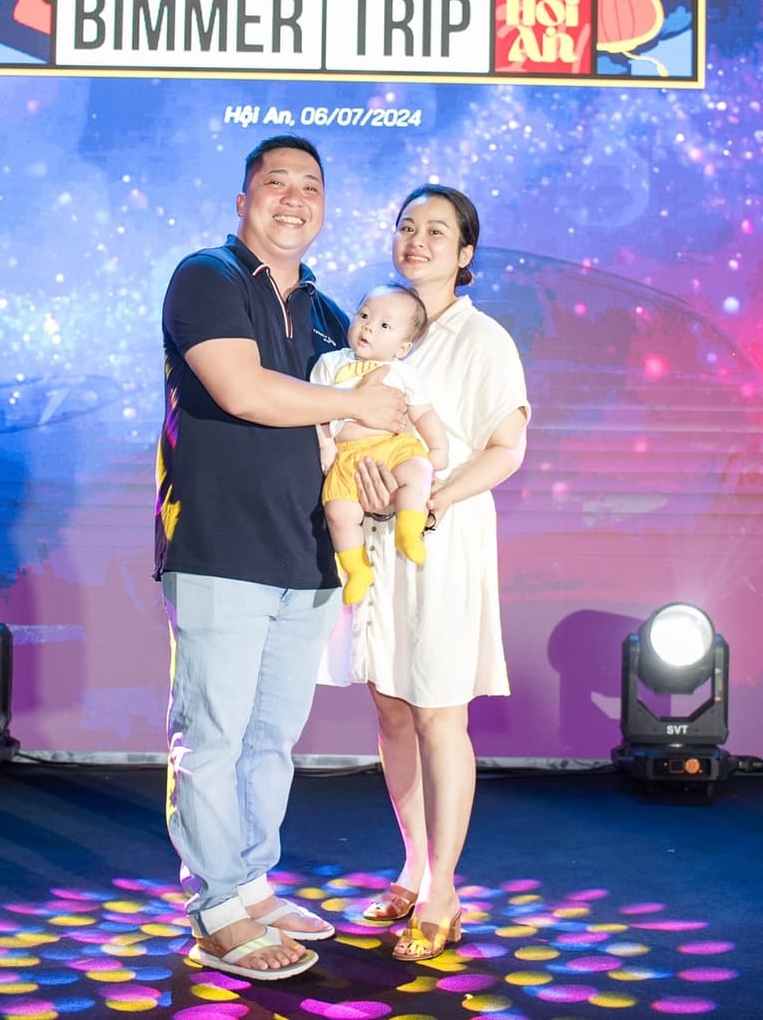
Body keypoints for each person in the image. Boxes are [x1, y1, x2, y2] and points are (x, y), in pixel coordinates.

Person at [156, 134, 410, 983]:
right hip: (219, 545)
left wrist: (388, 464)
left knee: (270, 740)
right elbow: (243, 390)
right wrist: (356, 403)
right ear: (244, 201)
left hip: (307, 552)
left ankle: (252, 884)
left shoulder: (335, 316)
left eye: (311, 186)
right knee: (214, 737)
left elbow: (364, 427)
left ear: (325, 207)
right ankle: (215, 907)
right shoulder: (208, 277)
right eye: (276, 183)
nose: (294, 198)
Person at [337, 185, 530, 962]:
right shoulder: (377, 325)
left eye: (437, 231)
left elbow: (507, 448)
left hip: (440, 541)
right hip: (375, 546)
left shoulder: (482, 339)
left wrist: (436, 501)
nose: (417, 240)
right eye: (407, 226)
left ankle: (444, 889)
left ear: (466, 252)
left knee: (437, 714)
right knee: (391, 710)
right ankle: (414, 867)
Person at [310, 283, 450, 604]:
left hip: (390, 446)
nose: (369, 327)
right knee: (338, 512)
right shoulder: (329, 363)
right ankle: (356, 569)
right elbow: (316, 409)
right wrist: (326, 444)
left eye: (384, 325)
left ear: (402, 348)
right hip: (346, 456)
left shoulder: (402, 373)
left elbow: (423, 413)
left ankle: (409, 531)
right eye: (364, 316)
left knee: (418, 469)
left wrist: (438, 447)